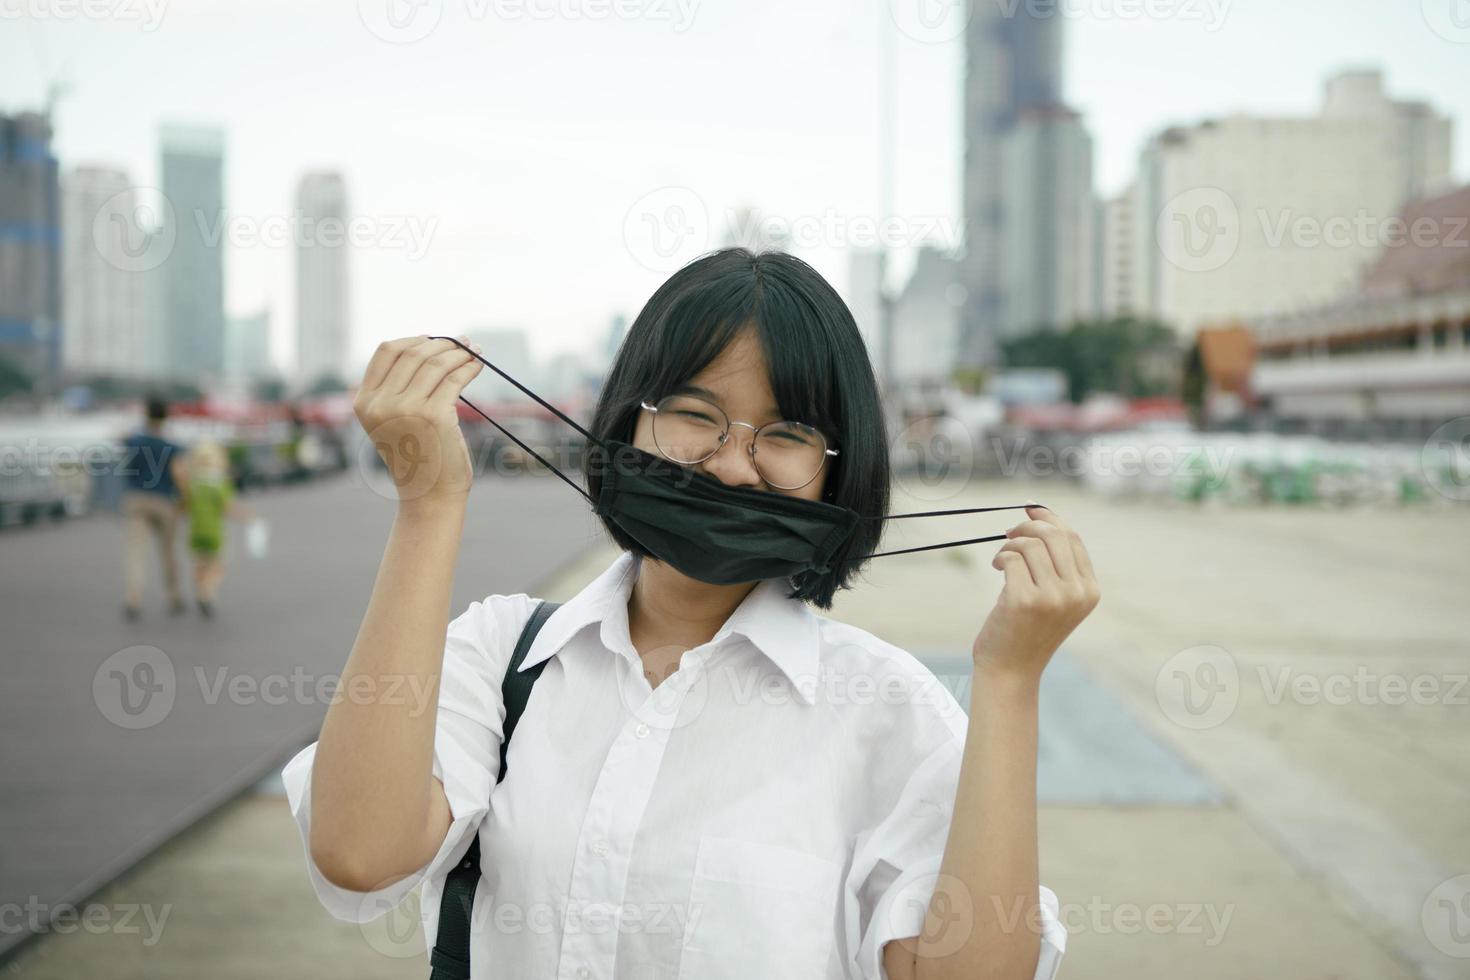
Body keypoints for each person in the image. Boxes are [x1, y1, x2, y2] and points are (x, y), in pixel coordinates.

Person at [282, 248, 1099, 979]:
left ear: (836, 469)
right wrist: (427, 508)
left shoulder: (887, 711)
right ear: (629, 419)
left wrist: (1010, 682)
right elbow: (360, 853)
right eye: (696, 416)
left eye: (786, 433)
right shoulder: (503, 657)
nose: (734, 466)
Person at [119, 394, 189, 621]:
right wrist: (185, 500)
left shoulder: (135, 440)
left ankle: (133, 597)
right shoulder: (171, 446)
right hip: (163, 501)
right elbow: (179, 475)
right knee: (168, 551)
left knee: (136, 551)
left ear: (146, 414)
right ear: (166, 416)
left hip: (136, 499)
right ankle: (173, 595)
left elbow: (121, 442)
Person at [180, 439, 253, 619]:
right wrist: (246, 516)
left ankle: (199, 589)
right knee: (218, 565)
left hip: (195, 530)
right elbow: (227, 508)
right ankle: (206, 592)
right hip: (214, 531)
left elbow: (184, 506)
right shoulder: (219, 483)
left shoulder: (193, 483)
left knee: (200, 563)